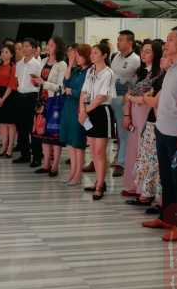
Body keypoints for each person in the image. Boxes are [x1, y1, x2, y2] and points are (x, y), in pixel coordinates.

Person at [143, 26, 177, 242]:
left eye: (170, 40)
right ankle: (166, 217)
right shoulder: (172, 67)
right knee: (166, 178)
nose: (166, 44)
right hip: (163, 131)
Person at [122, 39, 163, 198]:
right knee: (133, 149)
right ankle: (133, 185)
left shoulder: (158, 74)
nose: (143, 54)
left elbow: (148, 98)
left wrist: (132, 98)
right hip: (135, 112)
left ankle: (143, 190)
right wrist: (127, 113)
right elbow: (128, 94)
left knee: (144, 152)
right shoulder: (140, 72)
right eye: (142, 51)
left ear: (156, 54)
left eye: (148, 51)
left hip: (147, 113)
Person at [128, 50, 169, 207]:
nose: (162, 59)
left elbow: (153, 100)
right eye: (163, 56)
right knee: (147, 160)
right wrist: (146, 97)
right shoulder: (160, 76)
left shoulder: (171, 77)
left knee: (157, 162)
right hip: (151, 121)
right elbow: (147, 95)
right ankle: (147, 194)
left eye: (166, 57)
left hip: (162, 123)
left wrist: (144, 98)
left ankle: (160, 201)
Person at [79, 42, 117, 201]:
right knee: (93, 151)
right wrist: (82, 110)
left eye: (95, 53)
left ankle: (100, 185)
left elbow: (102, 96)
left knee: (100, 151)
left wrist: (86, 110)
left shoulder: (108, 73)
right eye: (92, 53)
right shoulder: (90, 70)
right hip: (89, 110)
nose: (92, 55)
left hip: (102, 112)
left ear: (104, 55)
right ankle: (98, 181)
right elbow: (84, 92)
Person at [32, 36, 67, 177]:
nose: (48, 47)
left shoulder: (62, 64)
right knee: (43, 133)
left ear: (58, 47)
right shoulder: (43, 60)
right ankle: (46, 164)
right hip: (42, 101)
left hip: (54, 101)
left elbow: (61, 87)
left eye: (51, 45)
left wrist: (44, 83)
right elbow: (41, 80)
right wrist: (36, 82)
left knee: (54, 135)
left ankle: (55, 165)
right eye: (48, 44)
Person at [110, 30, 140, 178]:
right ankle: (119, 157)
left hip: (124, 98)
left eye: (121, 40)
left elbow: (123, 78)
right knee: (118, 132)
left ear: (130, 42)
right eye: (118, 39)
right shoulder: (116, 56)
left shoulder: (135, 59)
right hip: (113, 96)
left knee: (124, 132)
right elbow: (113, 75)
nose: (118, 42)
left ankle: (122, 163)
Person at [60, 43, 91, 186]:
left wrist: (72, 91)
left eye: (79, 55)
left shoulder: (89, 72)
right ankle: (72, 172)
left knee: (78, 143)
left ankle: (78, 175)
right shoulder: (77, 70)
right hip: (68, 107)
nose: (76, 58)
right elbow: (65, 81)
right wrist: (70, 63)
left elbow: (87, 93)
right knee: (70, 143)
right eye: (75, 55)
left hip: (78, 108)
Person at [13, 38, 42, 165]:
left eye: (27, 46)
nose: (24, 49)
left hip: (32, 97)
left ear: (33, 49)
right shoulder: (19, 64)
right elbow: (17, 81)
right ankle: (24, 154)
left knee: (33, 128)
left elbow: (40, 83)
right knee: (21, 127)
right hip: (20, 96)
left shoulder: (37, 65)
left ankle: (37, 157)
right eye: (23, 46)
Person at [0, 44, 18, 158]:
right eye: (2, 52)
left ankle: (10, 148)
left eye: (6, 52)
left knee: (10, 124)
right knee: (2, 123)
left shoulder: (13, 66)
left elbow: (12, 84)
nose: (3, 54)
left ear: (12, 54)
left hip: (10, 96)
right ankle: (3, 146)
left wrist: (3, 98)